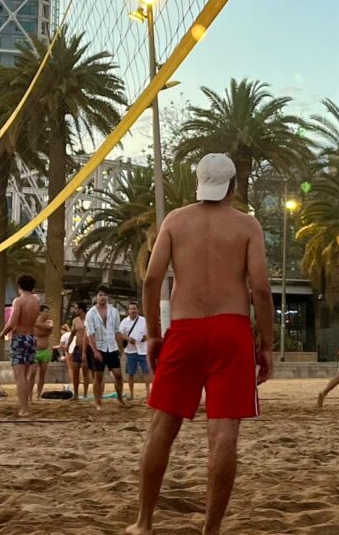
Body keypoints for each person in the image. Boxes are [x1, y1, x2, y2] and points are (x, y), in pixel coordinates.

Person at [127, 152, 273, 535]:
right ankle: (210, 531)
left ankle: (143, 522)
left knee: (162, 427)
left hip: (186, 330)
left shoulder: (176, 220)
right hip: (231, 331)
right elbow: (260, 288)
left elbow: (150, 281)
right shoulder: (247, 226)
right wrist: (267, 345)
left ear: (199, 183)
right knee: (223, 434)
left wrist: (155, 334)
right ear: (234, 186)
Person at [0, 273, 41, 418]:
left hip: (19, 337)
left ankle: (23, 408)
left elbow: (12, 323)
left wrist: (2, 333)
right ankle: (26, 405)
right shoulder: (36, 300)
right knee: (27, 374)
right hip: (32, 337)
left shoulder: (19, 301)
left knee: (20, 376)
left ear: (19, 286)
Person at [86, 286, 128, 409]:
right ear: (96, 297)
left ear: (108, 297)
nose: (103, 297)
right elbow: (90, 334)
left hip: (112, 347)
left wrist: (120, 347)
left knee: (118, 373)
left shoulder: (114, 311)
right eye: (100, 295)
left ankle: (120, 399)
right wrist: (95, 350)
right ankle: (98, 402)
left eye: (105, 295)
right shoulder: (91, 313)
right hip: (99, 347)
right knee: (98, 376)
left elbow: (117, 331)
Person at [119, 300, 151, 401]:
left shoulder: (144, 320)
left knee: (146, 371)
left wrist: (146, 337)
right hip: (130, 351)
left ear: (138, 310)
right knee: (131, 373)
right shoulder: (124, 322)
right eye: (131, 309)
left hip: (143, 350)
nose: (133, 311)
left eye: (135, 309)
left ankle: (148, 393)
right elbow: (119, 334)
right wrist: (128, 338)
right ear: (128, 310)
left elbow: (151, 331)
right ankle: (131, 393)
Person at [30, 300, 55, 399]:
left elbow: (49, 327)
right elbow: (37, 325)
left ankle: (39, 394)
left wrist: (38, 323)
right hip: (35, 351)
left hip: (44, 351)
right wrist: (38, 323)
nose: (48, 314)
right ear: (40, 312)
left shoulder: (49, 322)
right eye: (46, 312)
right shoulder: (34, 322)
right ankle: (30, 395)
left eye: (48, 312)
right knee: (32, 373)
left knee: (42, 373)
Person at [68, 301, 91, 400]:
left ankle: (85, 393)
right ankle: (76, 394)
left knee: (85, 370)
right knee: (75, 370)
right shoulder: (75, 320)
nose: (75, 310)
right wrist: (67, 345)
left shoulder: (89, 319)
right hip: (77, 347)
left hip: (87, 348)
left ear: (81, 309)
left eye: (76, 308)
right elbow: (72, 333)